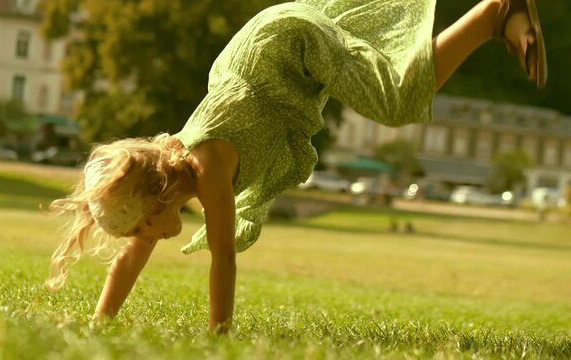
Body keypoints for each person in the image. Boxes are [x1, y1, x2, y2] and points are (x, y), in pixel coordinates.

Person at [46, 0, 547, 332]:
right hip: (265, 60)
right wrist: (99, 326)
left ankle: (492, 12)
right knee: (386, 86)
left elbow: (225, 258)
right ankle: (499, 19)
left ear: (155, 201)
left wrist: (219, 337)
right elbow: (128, 261)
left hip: (282, 49)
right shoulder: (168, 179)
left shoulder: (208, 166)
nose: (144, 240)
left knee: (395, 101)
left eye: (141, 229)